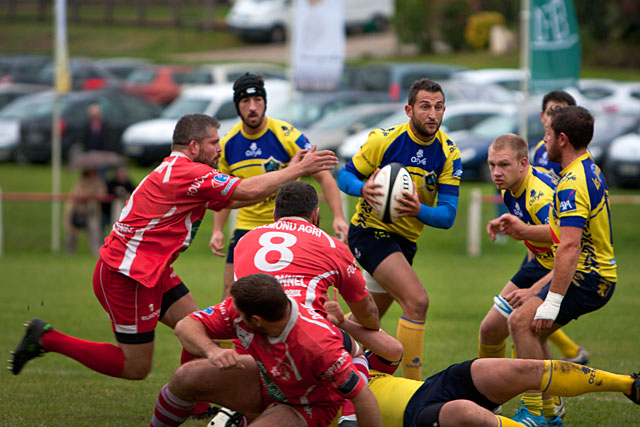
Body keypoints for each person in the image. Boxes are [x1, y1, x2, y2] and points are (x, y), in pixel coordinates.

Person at [9, 114, 337, 409]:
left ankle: (190, 401)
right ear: (194, 146)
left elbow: (239, 194)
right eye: (213, 143)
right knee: (135, 367)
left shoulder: (186, 173)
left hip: (153, 271)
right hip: (128, 276)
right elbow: (248, 192)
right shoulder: (185, 172)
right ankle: (46, 338)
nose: (219, 150)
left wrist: (287, 171)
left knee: (198, 327)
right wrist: (296, 171)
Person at [324, 289, 640, 427]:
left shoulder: (354, 361)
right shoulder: (315, 394)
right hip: (418, 417)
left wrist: (343, 325)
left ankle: (629, 384)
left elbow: (393, 350)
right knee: (466, 413)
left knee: (520, 368)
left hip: (436, 385)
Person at [336, 78, 462, 380]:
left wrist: (419, 210)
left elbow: (447, 216)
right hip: (370, 232)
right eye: (425, 107)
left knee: (367, 321)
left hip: (405, 242)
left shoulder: (448, 152)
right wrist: (362, 188)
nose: (432, 114)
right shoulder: (385, 139)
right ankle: (414, 390)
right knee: (417, 301)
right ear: (409, 110)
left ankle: (331, 357)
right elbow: (344, 175)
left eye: (438, 107)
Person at [150, 274, 383, 427]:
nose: (233, 315)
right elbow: (185, 325)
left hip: (304, 404)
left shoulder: (316, 343)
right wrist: (212, 350)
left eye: (240, 315)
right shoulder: (247, 306)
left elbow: (362, 395)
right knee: (185, 377)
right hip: (265, 377)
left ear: (257, 321)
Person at [509, 106, 616, 426]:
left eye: (548, 135)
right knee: (532, 333)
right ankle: (550, 413)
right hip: (588, 272)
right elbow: (563, 237)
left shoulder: (571, 184)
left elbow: (569, 247)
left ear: (563, 140)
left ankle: (536, 414)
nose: (544, 141)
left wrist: (550, 302)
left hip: (589, 277)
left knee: (521, 323)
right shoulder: (587, 168)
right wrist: (535, 287)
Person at [209, 73, 349, 300]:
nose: (252, 107)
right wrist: (217, 230)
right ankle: (236, 337)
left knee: (289, 293)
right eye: (245, 102)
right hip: (248, 226)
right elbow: (226, 192)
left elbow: (324, 178)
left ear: (265, 102)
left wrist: (338, 217)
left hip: (287, 225)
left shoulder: (286, 135)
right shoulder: (228, 144)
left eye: (258, 101)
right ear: (237, 106)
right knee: (231, 293)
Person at [480, 133, 587, 424]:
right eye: (492, 165)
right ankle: (487, 398)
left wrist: (535, 288)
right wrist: (507, 224)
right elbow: (534, 232)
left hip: (562, 267)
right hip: (538, 262)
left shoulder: (539, 197)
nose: (496, 172)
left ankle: (544, 409)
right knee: (490, 329)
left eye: (503, 165)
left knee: (524, 328)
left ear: (523, 164)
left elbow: (567, 243)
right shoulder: (509, 188)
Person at [233, 180, 379, 331]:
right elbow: (367, 314)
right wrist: (341, 323)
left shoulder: (245, 240)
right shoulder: (332, 245)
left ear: (274, 213)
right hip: (304, 334)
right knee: (382, 349)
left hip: (251, 334)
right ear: (315, 214)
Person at [530, 91, 577, 179]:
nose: (555, 119)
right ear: (542, 116)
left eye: (562, 115)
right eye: (550, 113)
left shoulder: (576, 153)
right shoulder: (539, 148)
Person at [64, 167, 107, 256]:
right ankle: (70, 252)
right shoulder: (80, 182)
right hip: (79, 211)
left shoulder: (98, 182)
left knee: (95, 232)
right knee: (73, 233)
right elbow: (77, 194)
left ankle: (96, 252)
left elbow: (102, 194)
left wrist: (92, 194)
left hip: (92, 211)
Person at [101, 165, 136, 234]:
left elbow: (134, 193)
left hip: (121, 211)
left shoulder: (128, 183)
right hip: (107, 211)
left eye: (124, 172)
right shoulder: (111, 183)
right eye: (120, 172)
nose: (122, 174)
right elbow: (106, 195)